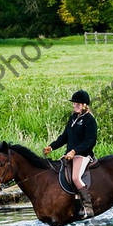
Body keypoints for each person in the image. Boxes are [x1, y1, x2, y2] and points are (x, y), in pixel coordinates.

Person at [43, 90, 98, 218]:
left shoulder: (89, 120)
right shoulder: (73, 118)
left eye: (78, 104)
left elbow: (90, 141)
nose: (75, 106)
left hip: (83, 155)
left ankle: (88, 207)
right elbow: (64, 137)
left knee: (75, 178)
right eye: (74, 104)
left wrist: (75, 151)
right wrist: (51, 147)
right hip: (70, 154)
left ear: (85, 105)